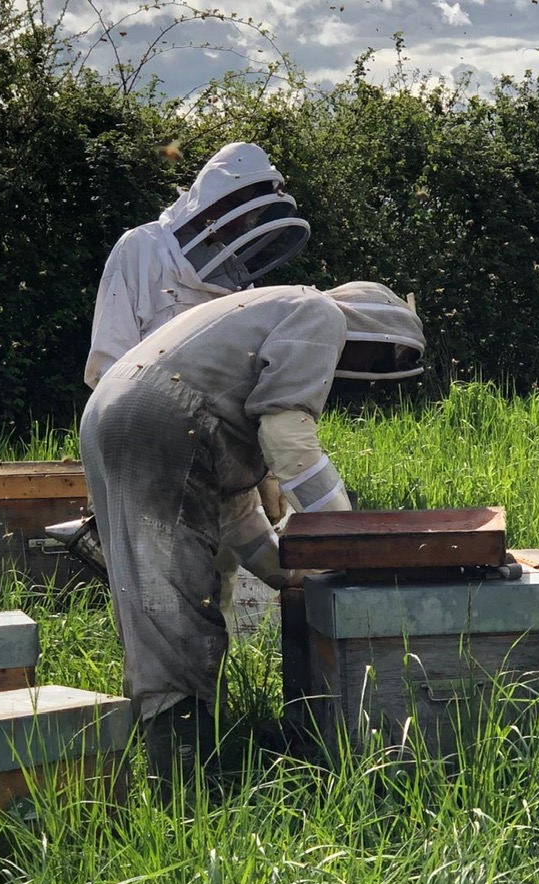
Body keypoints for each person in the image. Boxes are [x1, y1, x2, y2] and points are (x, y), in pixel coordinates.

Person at [78, 281, 425, 795]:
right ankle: (181, 787)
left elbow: (235, 513)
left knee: (160, 597)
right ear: (371, 330)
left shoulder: (258, 333)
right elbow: (288, 439)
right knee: (172, 605)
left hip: (120, 410)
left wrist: (292, 575)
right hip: (158, 417)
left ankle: (171, 755)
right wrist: (352, 538)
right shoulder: (320, 313)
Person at [81, 142, 310, 624]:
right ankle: (164, 699)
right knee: (158, 598)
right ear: (215, 202)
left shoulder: (236, 275)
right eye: (236, 216)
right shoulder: (141, 249)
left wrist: (263, 470)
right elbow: (108, 367)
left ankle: (215, 698)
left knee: (217, 591)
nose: (241, 230)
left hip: (220, 458)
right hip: (154, 457)